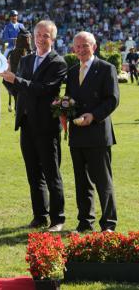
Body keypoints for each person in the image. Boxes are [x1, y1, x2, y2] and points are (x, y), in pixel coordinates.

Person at [0, 20, 67, 231]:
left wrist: (16, 80)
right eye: (38, 34)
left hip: (46, 126)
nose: (40, 38)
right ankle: (40, 216)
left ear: (53, 38)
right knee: (33, 174)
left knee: (51, 174)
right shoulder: (27, 60)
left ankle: (58, 219)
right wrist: (7, 80)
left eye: (45, 35)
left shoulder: (58, 63)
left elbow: (43, 89)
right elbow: (20, 91)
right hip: (26, 124)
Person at [66, 31, 119, 233]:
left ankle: (108, 224)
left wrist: (93, 116)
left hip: (97, 133)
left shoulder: (106, 69)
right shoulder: (72, 72)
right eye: (77, 46)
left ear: (94, 46)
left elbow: (112, 99)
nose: (80, 50)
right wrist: (63, 110)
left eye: (84, 45)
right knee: (81, 182)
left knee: (103, 181)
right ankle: (85, 222)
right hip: (77, 134)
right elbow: (69, 99)